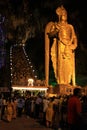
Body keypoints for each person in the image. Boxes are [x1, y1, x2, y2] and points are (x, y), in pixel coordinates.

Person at [46, 5, 77, 86]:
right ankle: (61, 82)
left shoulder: (70, 26)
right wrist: (56, 31)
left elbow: (74, 37)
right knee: (60, 63)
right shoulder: (56, 25)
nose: (65, 15)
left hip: (69, 46)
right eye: (63, 14)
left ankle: (68, 82)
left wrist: (74, 44)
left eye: (66, 14)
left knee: (68, 64)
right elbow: (50, 34)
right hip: (59, 45)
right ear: (59, 15)